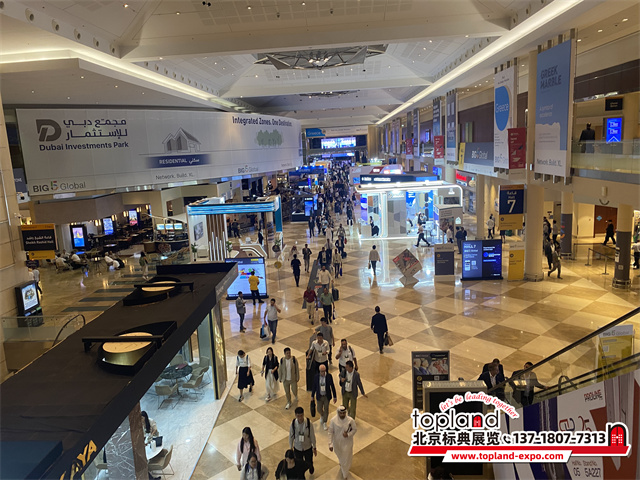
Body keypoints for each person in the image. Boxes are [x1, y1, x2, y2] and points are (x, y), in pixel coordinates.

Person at [328, 406, 357, 480]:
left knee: (346, 459)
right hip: (337, 444)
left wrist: (348, 434)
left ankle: (345, 475)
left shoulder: (350, 421)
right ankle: (343, 466)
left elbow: (354, 429)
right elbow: (330, 432)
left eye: (344, 413)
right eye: (341, 413)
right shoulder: (333, 421)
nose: (342, 415)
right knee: (341, 457)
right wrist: (330, 444)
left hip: (347, 443)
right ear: (338, 413)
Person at [289, 407, 317, 475]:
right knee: (299, 464)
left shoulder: (308, 423)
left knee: (309, 461)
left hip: (307, 447)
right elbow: (291, 436)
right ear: (295, 415)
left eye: (301, 415)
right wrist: (291, 447)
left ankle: (311, 467)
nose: (300, 418)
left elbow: (312, 435)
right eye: (298, 416)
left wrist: (314, 447)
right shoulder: (293, 424)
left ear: (303, 414)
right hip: (297, 447)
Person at [311, 364, 337, 430]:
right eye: (321, 371)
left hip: (326, 396)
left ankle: (325, 421)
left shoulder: (329, 376)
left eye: (324, 371)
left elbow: (332, 386)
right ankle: (322, 415)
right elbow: (314, 386)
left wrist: (335, 396)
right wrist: (312, 395)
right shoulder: (316, 377)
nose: (322, 373)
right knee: (319, 409)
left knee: (326, 409)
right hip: (319, 395)